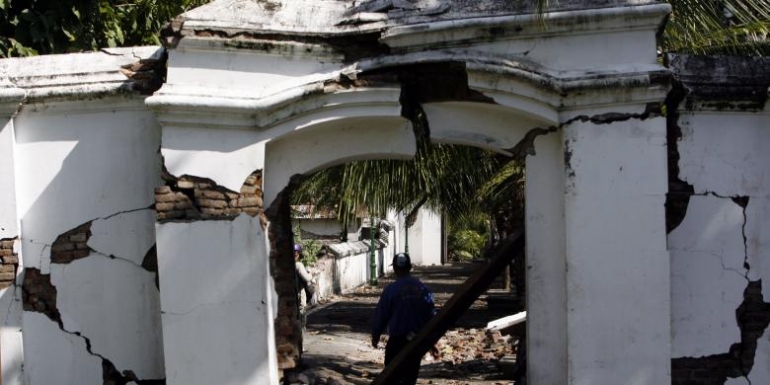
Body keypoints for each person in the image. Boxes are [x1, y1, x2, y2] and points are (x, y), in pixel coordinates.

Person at [371, 252, 435, 385]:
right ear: (410, 267)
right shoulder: (423, 288)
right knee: (410, 375)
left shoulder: (391, 290)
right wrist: (431, 341)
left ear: (394, 268)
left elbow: (382, 314)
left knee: (391, 374)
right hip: (417, 339)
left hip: (397, 340)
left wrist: (376, 335)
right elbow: (430, 315)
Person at [294, 244, 316, 318]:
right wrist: (311, 273)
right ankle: (301, 329)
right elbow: (307, 278)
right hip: (299, 293)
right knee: (301, 314)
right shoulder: (298, 265)